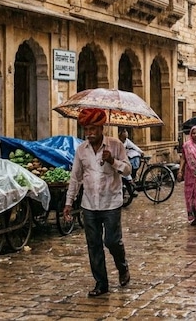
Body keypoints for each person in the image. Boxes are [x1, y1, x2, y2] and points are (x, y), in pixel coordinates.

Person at [63, 108, 131, 297]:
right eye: (86, 129)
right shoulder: (81, 150)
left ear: (102, 128)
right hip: (89, 205)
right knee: (93, 245)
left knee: (112, 241)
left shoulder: (115, 145)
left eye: (93, 129)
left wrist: (113, 161)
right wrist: (69, 202)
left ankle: (122, 266)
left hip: (111, 203)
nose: (89, 133)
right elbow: (75, 178)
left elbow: (127, 170)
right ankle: (101, 283)